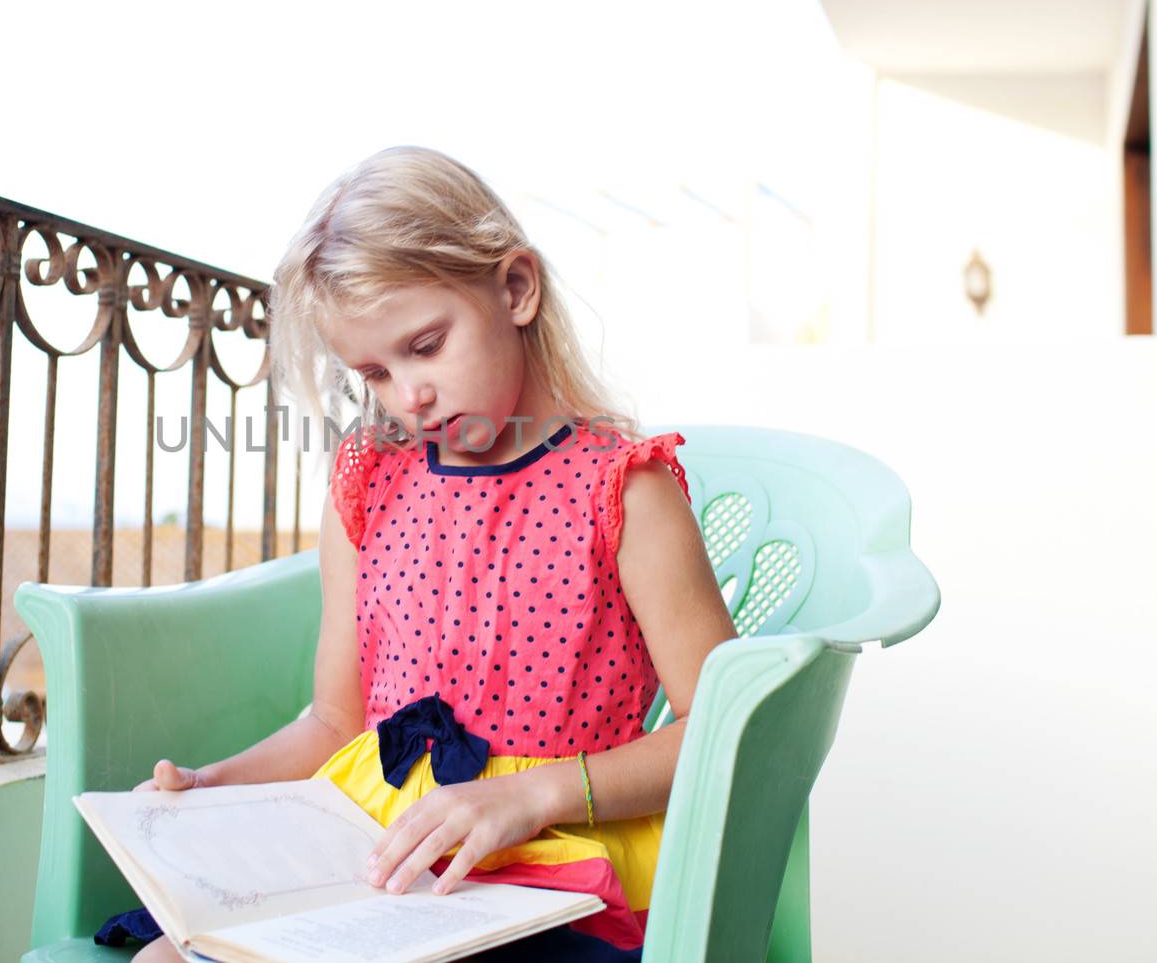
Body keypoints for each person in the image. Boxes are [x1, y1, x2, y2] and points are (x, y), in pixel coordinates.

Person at [124, 146, 737, 961]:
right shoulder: (369, 483)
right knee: (167, 957)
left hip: (547, 863)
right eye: (374, 371)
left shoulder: (622, 490)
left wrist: (533, 792)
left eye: (426, 345)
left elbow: (722, 726)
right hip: (382, 854)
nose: (407, 395)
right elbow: (336, 721)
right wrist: (213, 787)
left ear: (515, 289)